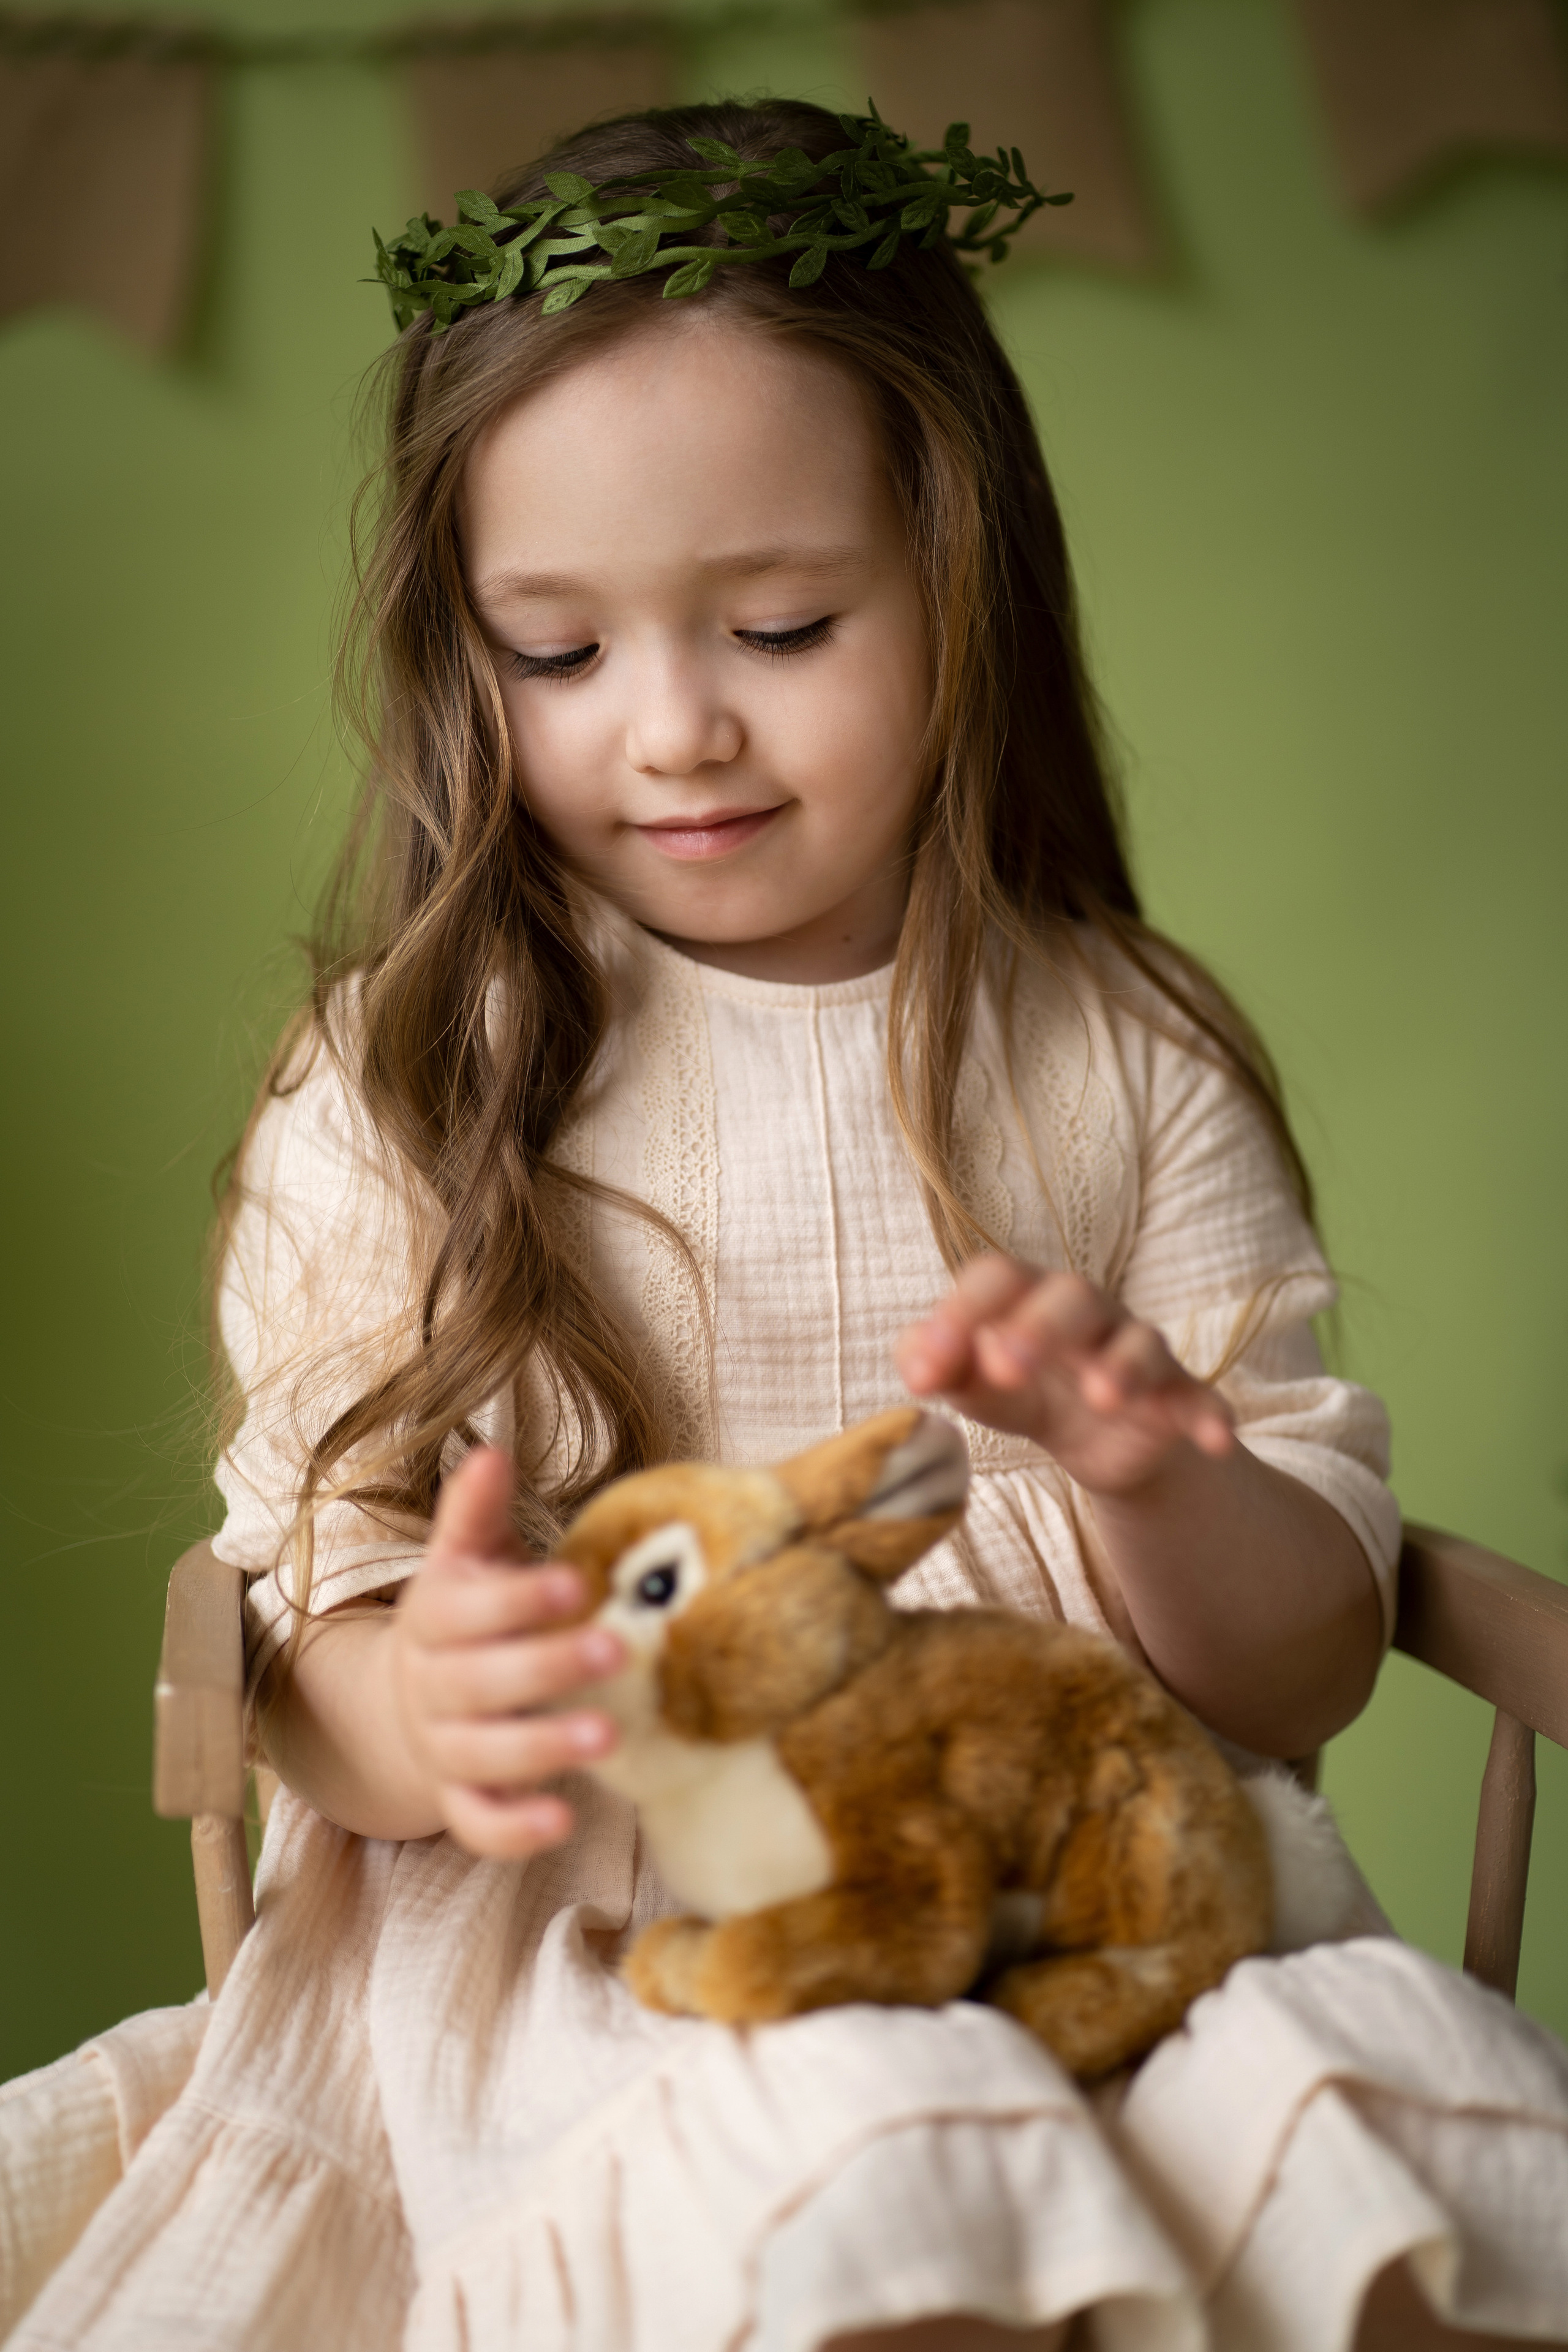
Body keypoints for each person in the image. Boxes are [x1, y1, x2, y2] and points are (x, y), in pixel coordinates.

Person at [6, 96, 1567, 2352]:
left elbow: (1301, 1665)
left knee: (1373, 2156)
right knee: (850, 2153)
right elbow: (313, 1630)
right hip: (610, 1939)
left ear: (963, 579)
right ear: (469, 650)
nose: (677, 731)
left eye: (783, 621)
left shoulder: (1119, 1051)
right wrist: (428, 1703)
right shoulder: (414, 1075)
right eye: (558, 654)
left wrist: (1162, 1479)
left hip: (1083, 1902)